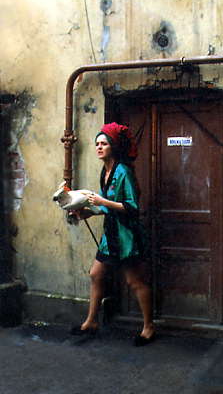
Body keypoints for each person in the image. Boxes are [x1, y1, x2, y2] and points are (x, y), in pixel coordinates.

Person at [70, 122, 155, 346]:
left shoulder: (123, 171)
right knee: (96, 274)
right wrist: (87, 212)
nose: (99, 147)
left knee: (135, 281)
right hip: (111, 235)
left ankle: (148, 327)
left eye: (104, 144)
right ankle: (91, 321)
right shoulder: (105, 171)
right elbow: (105, 207)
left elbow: (131, 207)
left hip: (127, 236)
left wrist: (102, 202)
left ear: (113, 147)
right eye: (97, 143)